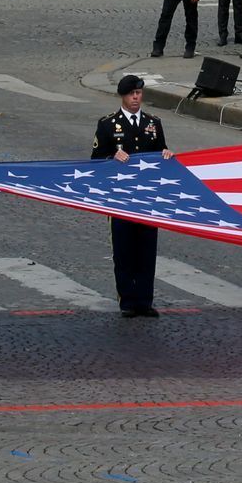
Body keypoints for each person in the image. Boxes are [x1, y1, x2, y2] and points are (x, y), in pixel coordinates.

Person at [92, 75, 167, 316]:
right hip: (120, 198)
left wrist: (166, 154)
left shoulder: (153, 123)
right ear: (123, 96)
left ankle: (144, 300)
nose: (136, 98)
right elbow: (95, 162)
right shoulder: (107, 125)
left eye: (139, 93)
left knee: (146, 250)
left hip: (146, 198)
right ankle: (127, 300)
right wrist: (111, 158)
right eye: (131, 94)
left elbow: (161, 152)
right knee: (124, 252)